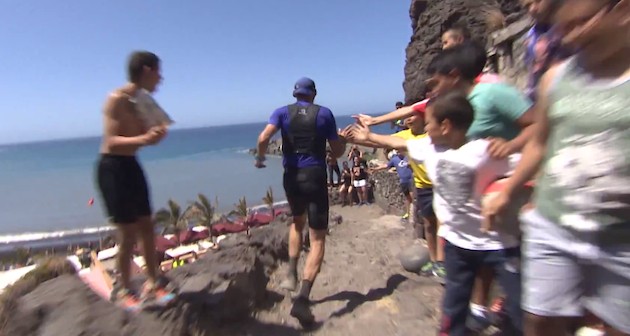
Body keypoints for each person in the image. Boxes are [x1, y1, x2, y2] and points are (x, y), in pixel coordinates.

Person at [484, 1, 630, 335]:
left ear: (622, 11)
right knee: (540, 321)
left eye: (582, 23)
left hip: (621, 238)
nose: (572, 36)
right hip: (554, 225)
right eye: (565, 27)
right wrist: (506, 191)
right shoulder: (556, 79)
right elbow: (540, 142)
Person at [346, 91, 523, 336]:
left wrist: (505, 191)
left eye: (428, 122)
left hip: (498, 245)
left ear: (446, 125)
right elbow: (395, 143)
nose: (424, 126)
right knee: (453, 309)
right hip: (456, 245)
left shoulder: (486, 151)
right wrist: (368, 136)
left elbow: (527, 163)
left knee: (521, 310)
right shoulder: (428, 147)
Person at [255, 77, 347, 325]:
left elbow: (263, 138)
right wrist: (342, 142)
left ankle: (290, 274)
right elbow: (337, 151)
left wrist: (261, 159)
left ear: (295, 93)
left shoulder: (281, 112)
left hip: (291, 177)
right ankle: (303, 299)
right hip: (315, 176)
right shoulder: (324, 114)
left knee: (297, 222)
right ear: (314, 94)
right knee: (317, 237)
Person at [95, 51, 175, 310]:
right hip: (112, 167)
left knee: (147, 227)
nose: (160, 78)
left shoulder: (143, 101)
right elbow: (111, 140)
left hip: (131, 165)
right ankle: (123, 290)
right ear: (145, 70)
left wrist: (154, 135)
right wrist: (145, 139)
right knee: (128, 232)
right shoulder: (116, 99)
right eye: (157, 72)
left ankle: (153, 283)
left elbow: (141, 135)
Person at [521, 0, 572, 101]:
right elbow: (532, 72)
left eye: (538, 1)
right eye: (527, 6)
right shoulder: (531, 35)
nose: (532, 9)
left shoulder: (572, 26)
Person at [372, 149, 414, 220]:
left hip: (411, 180)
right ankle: (407, 213)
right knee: (407, 198)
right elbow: (386, 165)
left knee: (412, 197)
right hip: (403, 181)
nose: (398, 151)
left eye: (399, 149)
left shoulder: (407, 157)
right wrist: (376, 169)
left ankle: (413, 215)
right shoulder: (394, 159)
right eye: (397, 150)